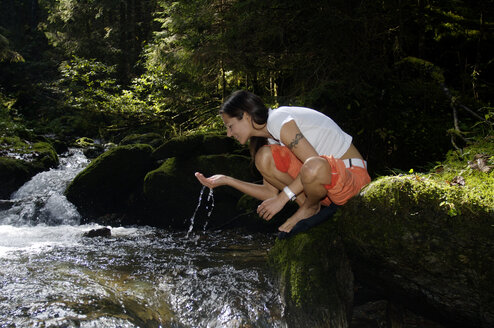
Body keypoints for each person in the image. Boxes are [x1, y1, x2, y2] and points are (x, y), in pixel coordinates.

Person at [195, 90, 370, 233]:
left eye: (230, 126)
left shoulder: (278, 119)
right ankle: (309, 208)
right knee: (263, 158)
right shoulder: (271, 140)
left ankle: (308, 209)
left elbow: (314, 164)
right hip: (324, 190)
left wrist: (282, 199)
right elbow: (270, 193)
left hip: (350, 178)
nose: (228, 133)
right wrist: (227, 180)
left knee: (308, 165)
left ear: (246, 116)